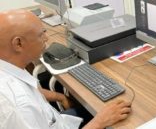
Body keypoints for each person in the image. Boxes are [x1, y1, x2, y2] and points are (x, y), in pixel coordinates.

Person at [0, 9, 132, 129]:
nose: (46, 38)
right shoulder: (18, 107)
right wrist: (99, 122)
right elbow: (23, 100)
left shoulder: (8, 65)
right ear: (18, 43)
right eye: (40, 35)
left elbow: (31, 90)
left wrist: (60, 96)